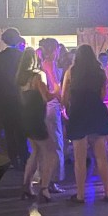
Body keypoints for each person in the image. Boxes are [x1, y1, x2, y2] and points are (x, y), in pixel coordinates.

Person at [61, 44, 108, 203]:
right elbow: (102, 95)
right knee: (101, 156)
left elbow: (64, 97)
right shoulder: (100, 72)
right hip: (96, 113)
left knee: (79, 159)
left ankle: (80, 195)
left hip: (78, 114)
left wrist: (68, 109)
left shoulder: (71, 72)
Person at [17, 48, 57, 202]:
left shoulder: (20, 78)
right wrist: (57, 90)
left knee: (35, 152)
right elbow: (46, 97)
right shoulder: (38, 75)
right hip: (37, 118)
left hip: (25, 118)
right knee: (51, 152)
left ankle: (26, 186)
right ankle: (44, 188)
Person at [0, 28, 27, 168]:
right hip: (21, 97)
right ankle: (24, 157)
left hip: (4, 98)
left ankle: (13, 158)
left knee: (9, 130)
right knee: (21, 129)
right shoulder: (22, 56)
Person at [41, 38, 65, 192]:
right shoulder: (49, 64)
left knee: (51, 144)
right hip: (53, 106)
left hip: (49, 107)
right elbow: (56, 87)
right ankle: (52, 180)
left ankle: (48, 179)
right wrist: (64, 102)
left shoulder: (45, 63)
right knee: (56, 144)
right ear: (54, 49)